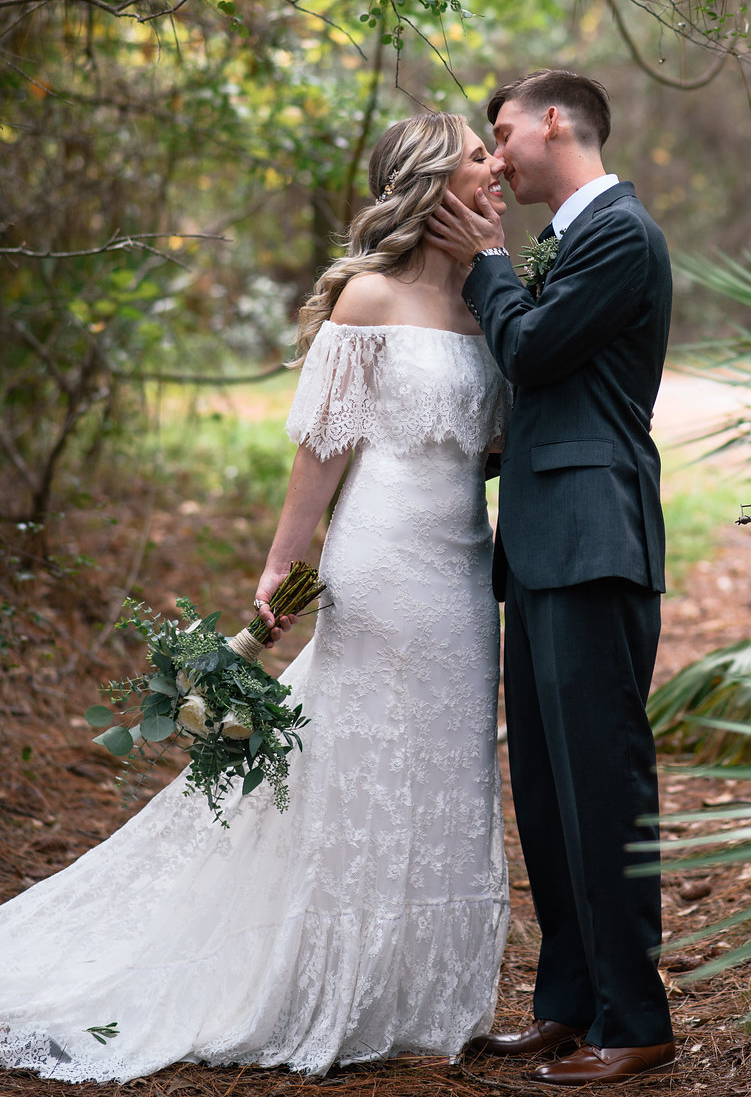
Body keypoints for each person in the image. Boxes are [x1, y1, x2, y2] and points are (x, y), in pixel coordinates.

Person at [0, 112, 511, 1083]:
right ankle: (317, 975)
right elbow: (321, 446)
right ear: (431, 183)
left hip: (462, 568)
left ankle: (417, 990)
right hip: (384, 556)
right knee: (359, 761)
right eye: (477, 157)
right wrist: (281, 566)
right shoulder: (366, 298)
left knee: (447, 763)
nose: (497, 168)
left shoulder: (495, 301)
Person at [427, 69, 676, 1089]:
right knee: (547, 786)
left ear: (555, 121)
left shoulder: (620, 232)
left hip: (592, 541)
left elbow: (531, 351)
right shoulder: (573, 241)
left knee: (601, 786)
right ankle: (568, 1006)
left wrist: (486, 263)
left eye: (503, 132)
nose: (496, 155)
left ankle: (637, 1017)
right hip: (538, 544)